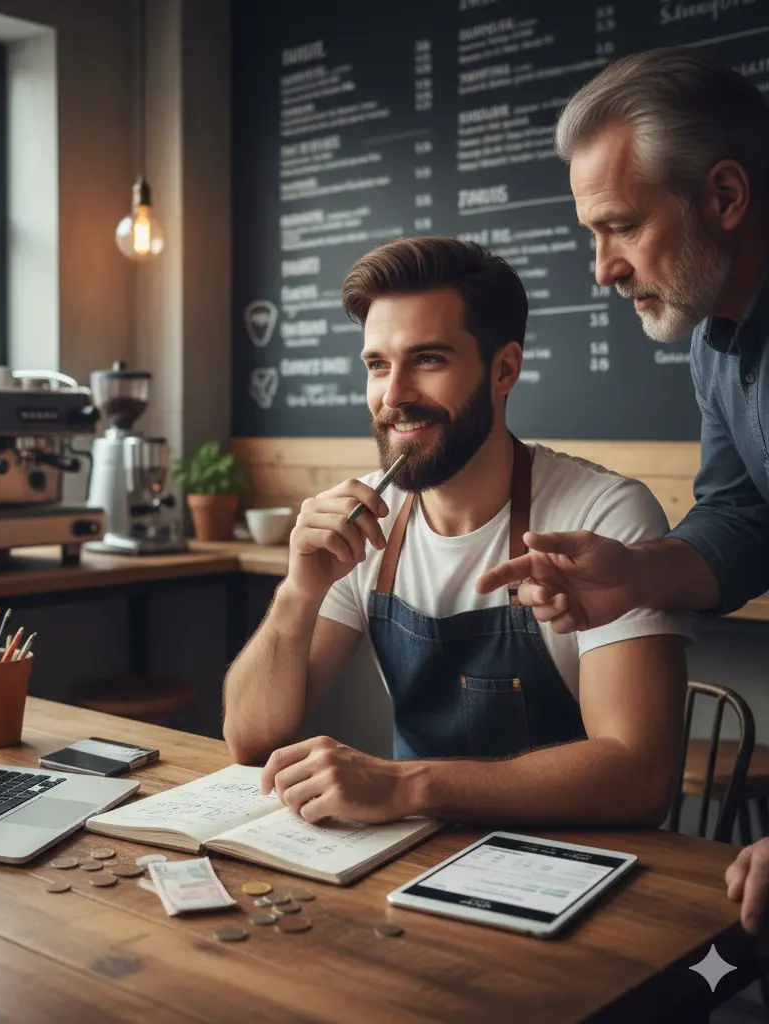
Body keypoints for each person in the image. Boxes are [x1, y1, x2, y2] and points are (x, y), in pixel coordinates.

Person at [223, 236, 690, 830]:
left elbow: (638, 776)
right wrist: (297, 594)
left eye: (428, 360)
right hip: (414, 854)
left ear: (504, 369)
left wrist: (404, 783)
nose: (393, 396)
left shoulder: (604, 514)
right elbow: (248, 739)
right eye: (377, 365)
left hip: (582, 863)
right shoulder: (366, 518)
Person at [475, 47, 769, 933]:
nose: (601, 269)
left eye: (623, 227)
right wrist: (642, 574)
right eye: (590, 234)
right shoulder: (716, 338)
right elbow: (743, 516)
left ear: (724, 197)